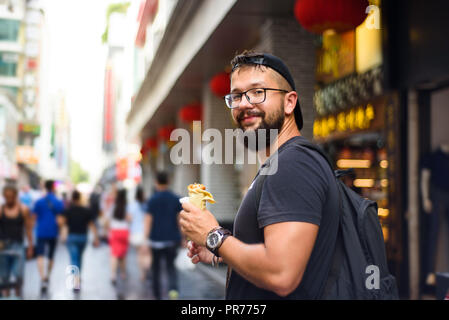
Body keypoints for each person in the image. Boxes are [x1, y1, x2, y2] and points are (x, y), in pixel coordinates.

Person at [180, 52, 340, 299]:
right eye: (236, 96)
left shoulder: (293, 164)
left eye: (257, 92)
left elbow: (281, 274)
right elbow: (269, 253)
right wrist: (220, 252)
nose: (244, 103)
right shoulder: (278, 164)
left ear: (289, 102)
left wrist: (214, 235)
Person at [144, 172, 182, 300]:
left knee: (156, 269)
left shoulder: (152, 200)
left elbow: (148, 221)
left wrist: (145, 240)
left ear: (156, 182)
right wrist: (182, 238)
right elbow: (179, 220)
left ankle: (157, 295)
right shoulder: (175, 198)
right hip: (172, 239)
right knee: (171, 266)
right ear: (168, 181)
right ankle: (173, 292)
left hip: (156, 240)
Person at [60, 190, 100, 291]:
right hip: (83, 237)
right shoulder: (86, 210)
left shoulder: (68, 210)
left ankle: (76, 280)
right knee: (79, 258)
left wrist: (63, 236)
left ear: (72, 198)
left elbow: (63, 224)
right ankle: (78, 278)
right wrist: (96, 237)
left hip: (72, 237)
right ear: (79, 198)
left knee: (74, 259)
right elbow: (91, 225)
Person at [0, 185, 34, 298]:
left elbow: (28, 229)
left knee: (19, 276)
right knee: (4, 278)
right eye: (6, 197)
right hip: (3, 246)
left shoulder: (23, 209)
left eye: (11, 197)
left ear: (15, 196)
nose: (8, 199)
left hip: (18, 246)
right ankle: (6, 296)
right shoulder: (1, 209)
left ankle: (18, 295)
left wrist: (30, 246)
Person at [31, 180, 65, 293]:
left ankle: (42, 278)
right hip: (53, 231)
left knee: (40, 254)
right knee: (51, 255)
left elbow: (33, 217)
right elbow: (61, 219)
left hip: (41, 231)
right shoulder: (58, 202)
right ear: (53, 187)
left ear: (45, 187)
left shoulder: (39, 201)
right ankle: (48, 276)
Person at [106, 189, 131, 286]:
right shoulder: (127, 206)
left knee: (114, 254)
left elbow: (107, 220)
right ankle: (123, 273)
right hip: (124, 232)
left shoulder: (113, 206)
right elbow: (129, 219)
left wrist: (107, 229)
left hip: (114, 231)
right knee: (123, 255)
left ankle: (113, 275)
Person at [128, 186, 151, 281]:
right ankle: (147, 269)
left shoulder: (132, 205)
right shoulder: (147, 205)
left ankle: (142, 274)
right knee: (147, 253)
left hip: (135, 233)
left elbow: (129, 219)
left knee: (139, 254)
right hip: (146, 232)